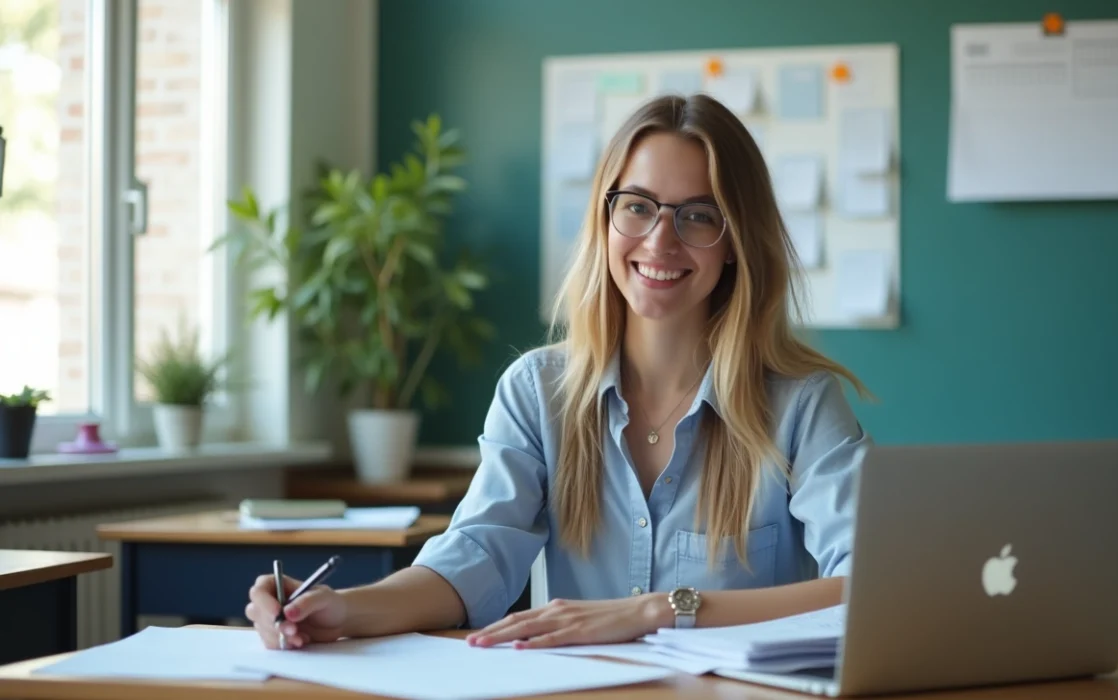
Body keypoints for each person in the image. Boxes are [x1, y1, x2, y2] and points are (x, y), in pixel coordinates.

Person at [245, 93, 872, 651]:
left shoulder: (802, 406)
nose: (659, 241)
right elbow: (475, 556)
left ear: (736, 240)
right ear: (605, 219)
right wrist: (344, 609)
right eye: (638, 207)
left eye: (699, 216)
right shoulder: (535, 392)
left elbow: (870, 582)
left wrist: (660, 612)